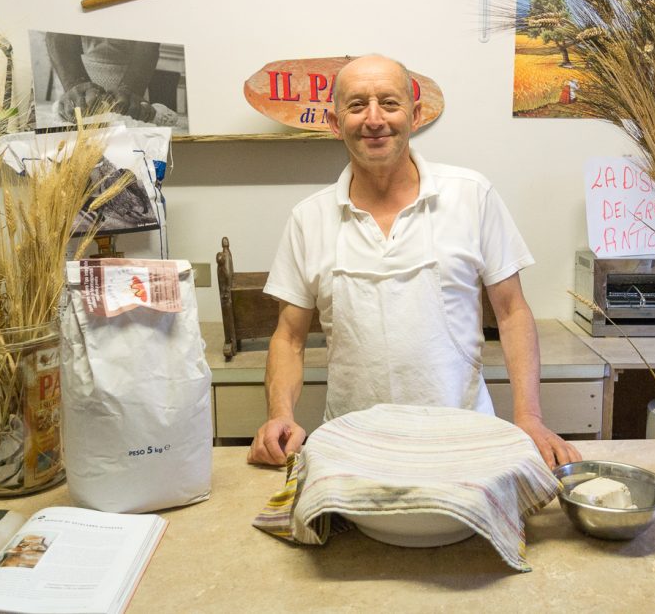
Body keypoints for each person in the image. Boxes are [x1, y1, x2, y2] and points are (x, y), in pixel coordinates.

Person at [248, 54, 582, 468]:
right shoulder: (308, 219)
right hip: (354, 448)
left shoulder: (471, 195)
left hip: (465, 442)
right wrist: (280, 414)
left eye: (389, 103)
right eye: (356, 106)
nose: (374, 119)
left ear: (415, 115)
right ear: (336, 124)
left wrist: (529, 418)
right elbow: (289, 337)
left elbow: (512, 312)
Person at [44, 33, 161, 123]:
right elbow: (58, 29)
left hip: (132, 77)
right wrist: (74, 84)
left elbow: (149, 36)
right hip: (73, 74)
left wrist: (131, 89)